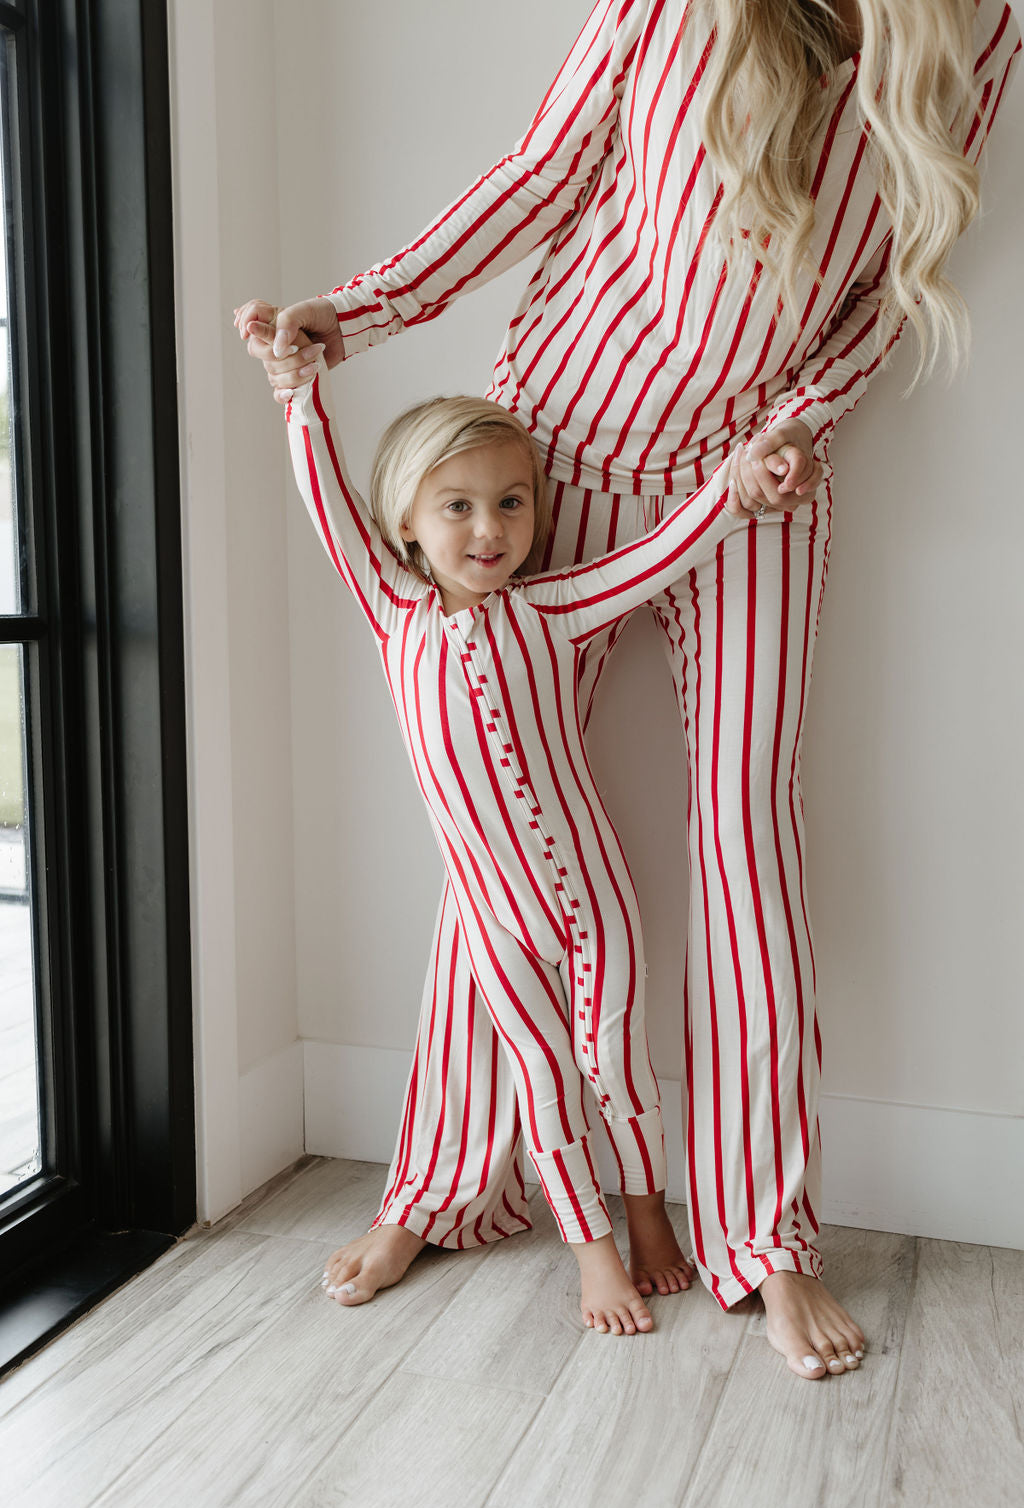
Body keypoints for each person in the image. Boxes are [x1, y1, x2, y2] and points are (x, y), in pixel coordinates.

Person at [236, 0, 1019, 1378]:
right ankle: (439, 1182)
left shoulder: (982, 30)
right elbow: (536, 176)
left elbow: (888, 292)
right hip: (561, 455)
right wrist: (354, 315)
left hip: (755, 487)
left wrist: (793, 431)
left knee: (746, 835)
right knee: (499, 837)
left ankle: (765, 1239)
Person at [269, 355, 763, 1333]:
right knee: (541, 1075)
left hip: (597, 902)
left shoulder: (552, 609)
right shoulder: (392, 613)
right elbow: (326, 500)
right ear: (404, 521)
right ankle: (593, 1256)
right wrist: (298, 394)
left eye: (510, 501)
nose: (488, 528)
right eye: (455, 505)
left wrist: (738, 490)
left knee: (617, 1063)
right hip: (494, 918)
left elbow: (659, 552)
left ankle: (650, 1218)